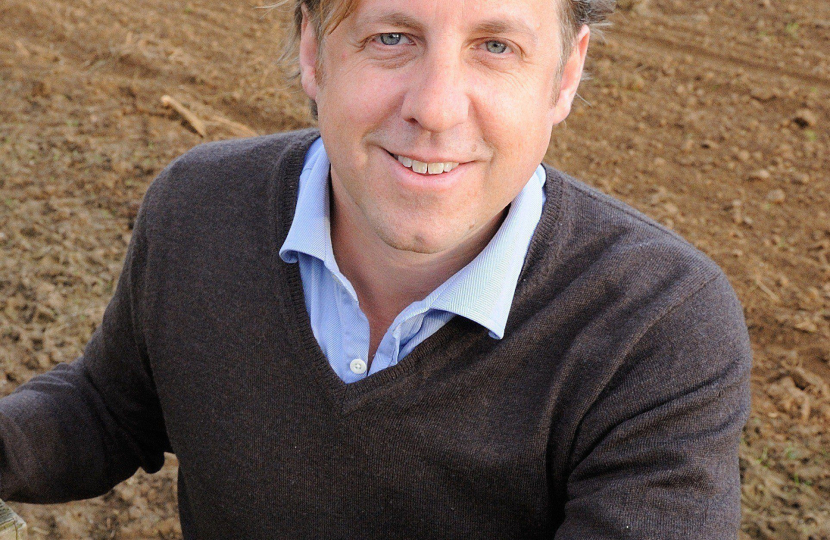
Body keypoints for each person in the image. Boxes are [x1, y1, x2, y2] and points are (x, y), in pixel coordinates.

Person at [0, 0, 752, 538]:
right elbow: (112, 407)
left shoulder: (657, 325)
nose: (436, 108)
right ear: (313, 51)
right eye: (392, 37)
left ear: (565, 75)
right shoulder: (199, 205)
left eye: (495, 46)